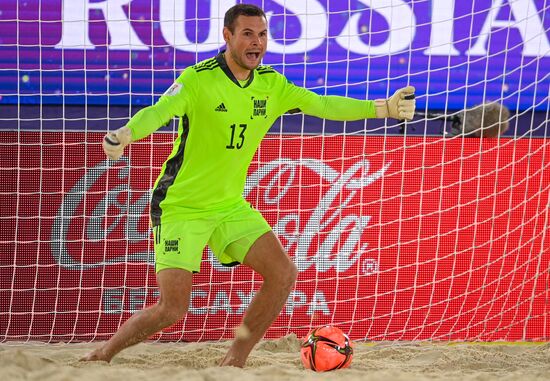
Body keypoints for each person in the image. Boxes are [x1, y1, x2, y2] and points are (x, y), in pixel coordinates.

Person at [81, 3, 415, 367]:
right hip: (180, 205)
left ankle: (234, 361)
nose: (257, 42)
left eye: (262, 34)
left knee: (283, 273)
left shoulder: (272, 85)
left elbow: (322, 104)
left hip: (228, 206)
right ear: (227, 36)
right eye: (248, 34)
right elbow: (160, 111)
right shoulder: (198, 78)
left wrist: (382, 108)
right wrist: (127, 133)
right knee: (173, 308)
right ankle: (103, 354)